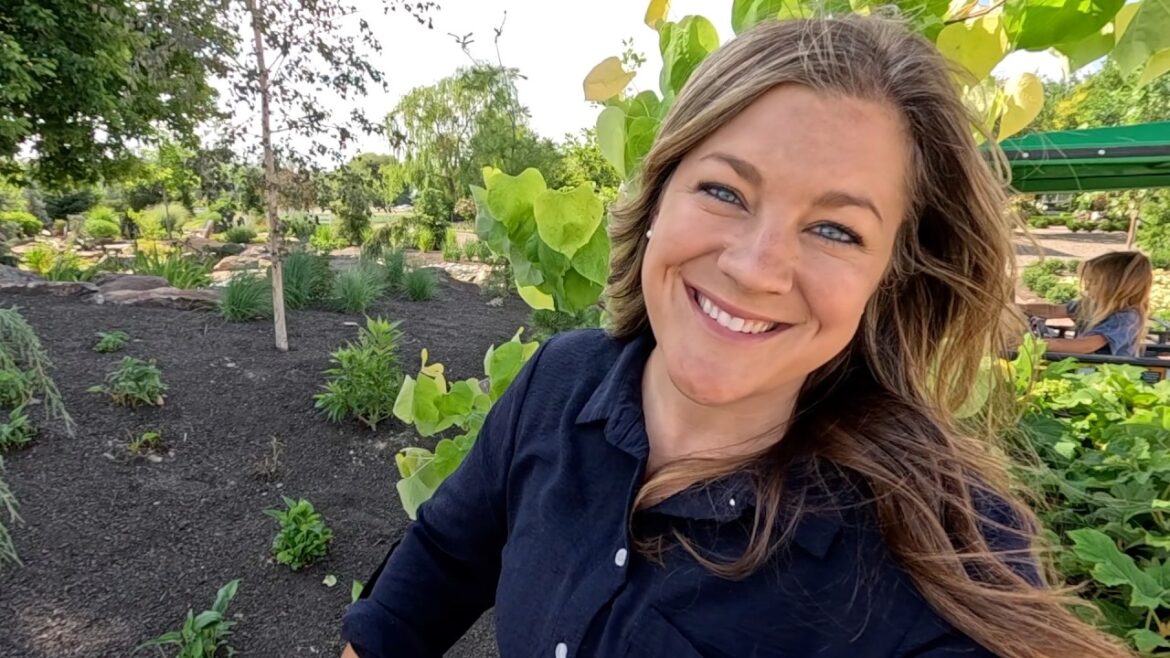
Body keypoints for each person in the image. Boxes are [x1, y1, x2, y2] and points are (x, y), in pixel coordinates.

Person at [341, 15, 1133, 658]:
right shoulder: (559, 380)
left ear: (890, 275)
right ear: (657, 198)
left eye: (834, 229)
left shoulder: (941, 552)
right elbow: (438, 567)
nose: (757, 268)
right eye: (724, 190)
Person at [1021, 251, 1153, 358]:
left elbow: (1085, 346)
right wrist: (1018, 308)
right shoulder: (1091, 305)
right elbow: (1052, 311)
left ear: (1117, 287)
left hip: (1106, 374)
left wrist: (1029, 345)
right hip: (1088, 367)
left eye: (1093, 282)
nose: (1087, 287)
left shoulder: (1125, 318)